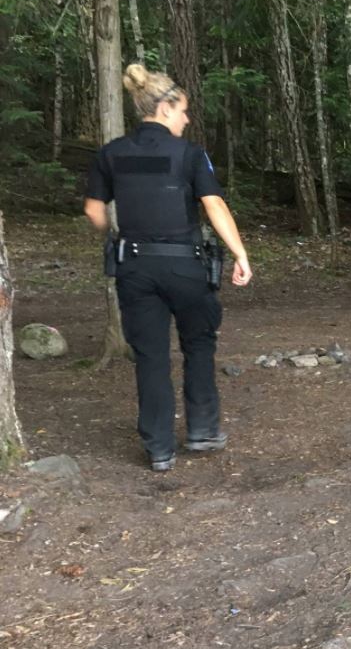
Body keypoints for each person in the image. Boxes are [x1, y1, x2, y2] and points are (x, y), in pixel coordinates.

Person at [83, 63, 252, 471]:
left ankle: (159, 449)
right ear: (165, 107)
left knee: (151, 356)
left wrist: (115, 235)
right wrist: (240, 254)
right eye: (183, 111)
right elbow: (214, 205)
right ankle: (202, 430)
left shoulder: (111, 154)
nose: (186, 120)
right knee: (198, 343)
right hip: (185, 267)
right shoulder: (190, 154)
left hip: (135, 268)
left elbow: (94, 210)